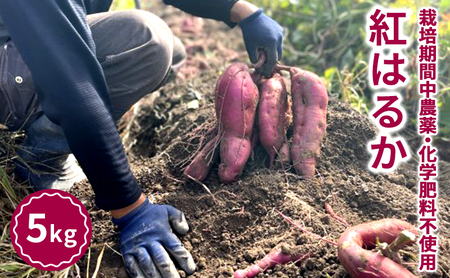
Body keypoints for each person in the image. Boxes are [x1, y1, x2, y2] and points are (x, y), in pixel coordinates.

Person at [0, 0, 283, 277]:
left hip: (29, 45)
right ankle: (42, 158)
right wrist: (129, 209)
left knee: (172, 51)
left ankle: (64, 132)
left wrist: (244, 13)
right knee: (148, 39)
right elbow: (73, 84)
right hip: (11, 51)